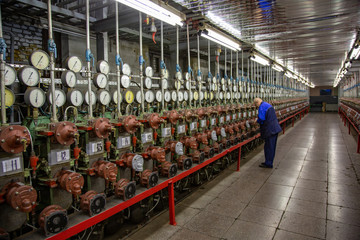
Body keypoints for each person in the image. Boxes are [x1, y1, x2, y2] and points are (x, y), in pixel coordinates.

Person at [254, 98, 282, 168]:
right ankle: (268, 161)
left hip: (270, 130)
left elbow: (262, 118)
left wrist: (256, 122)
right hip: (273, 129)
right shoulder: (267, 105)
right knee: (270, 146)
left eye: (256, 105)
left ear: (257, 103)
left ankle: (269, 163)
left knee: (269, 147)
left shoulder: (262, 107)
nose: (256, 107)